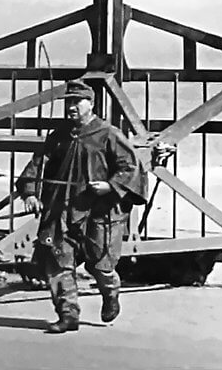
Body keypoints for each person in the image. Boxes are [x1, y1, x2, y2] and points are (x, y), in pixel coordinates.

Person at [15, 80, 147, 333]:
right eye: (68, 102)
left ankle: (110, 294)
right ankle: (68, 316)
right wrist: (30, 192)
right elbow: (38, 164)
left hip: (99, 212)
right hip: (61, 209)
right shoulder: (59, 136)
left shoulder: (108, 134)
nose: (71, 107)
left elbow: (131, 168)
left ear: (92, 103)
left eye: (77, 102)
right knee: (58, 261)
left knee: (100, 265)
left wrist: (110, 186)